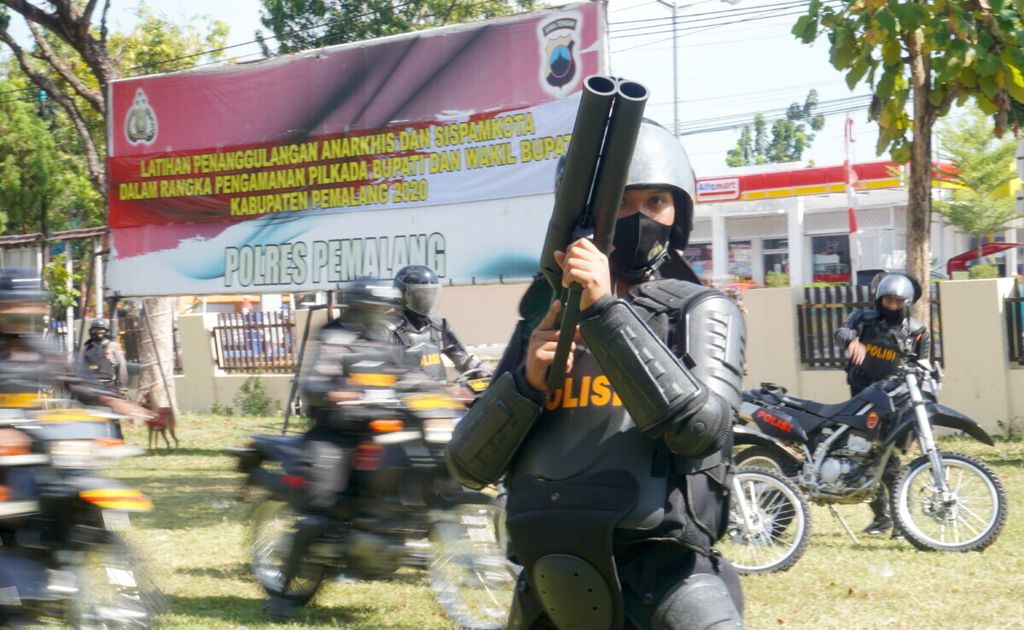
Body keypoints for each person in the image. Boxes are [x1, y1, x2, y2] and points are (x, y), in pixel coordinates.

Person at [446, 120, 746, 629]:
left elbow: (701, 431)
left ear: (679, 214)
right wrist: (527, 385)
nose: (641, 218)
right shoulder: (542, 323)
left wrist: (606, 312)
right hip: (546, 582)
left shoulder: (699, 310)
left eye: (657, 203)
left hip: (665, 579)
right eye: (623, 203)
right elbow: (467, 466)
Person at [272, 280, 406, 618]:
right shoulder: (335, 338)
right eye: (373, 308)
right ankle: (283, 594)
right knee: (319, 513)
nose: (378, 314)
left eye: (383, 309)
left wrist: (441, 391)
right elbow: (314, 383)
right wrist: (338, 394)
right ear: (356, 307)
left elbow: (409, 376)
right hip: (334, 435)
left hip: (377, 431)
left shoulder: (383, 341)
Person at [835, 270, 930, 537]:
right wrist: (852, 340)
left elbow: (922, 364)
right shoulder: (862, 318)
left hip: (893, 399)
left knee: (889, 461)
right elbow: (841, 331)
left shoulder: (917, 330)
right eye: (888, 301)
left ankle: (901, 521)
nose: (893, 306)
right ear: (879, 299)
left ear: (907, 303)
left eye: (898, 302)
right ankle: (881, 517)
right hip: (861, 395)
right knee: (861, 455)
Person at [0, 269, 146, 422]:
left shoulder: (41, 347)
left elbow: (77, 380)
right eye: (12, 305)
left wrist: (112, 401)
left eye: (29, 305)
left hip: (32, 434)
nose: (23, 312)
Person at [390, 264, 491, 381]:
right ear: (402, 295)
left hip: (439, 394)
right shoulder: (388, 328)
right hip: (406, 394)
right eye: (421, 293)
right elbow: (383, 368)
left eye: (430, 293)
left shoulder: (437, 326)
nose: (427, 298)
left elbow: (460, 357)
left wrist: (480, 369)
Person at [80, 317, 129, 392]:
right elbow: (81, 368)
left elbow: (122, 366)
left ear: (105, 331)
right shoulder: (86, 347)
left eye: (101, 329)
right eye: (95, 329)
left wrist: (123, 386)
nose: (98, 332)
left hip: (109, 385)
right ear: (91, 331)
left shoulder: (113, 346)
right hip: (90, 386)